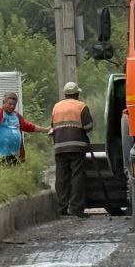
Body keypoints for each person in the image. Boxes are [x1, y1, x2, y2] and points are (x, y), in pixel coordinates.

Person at [51, 81, 95, 217]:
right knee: (77, 177)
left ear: (65, 94)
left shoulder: (56, 107)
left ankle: (61, 208)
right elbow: (88, 127)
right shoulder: (81, 106)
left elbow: (52, 126)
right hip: (77, 147)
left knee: (61, 178)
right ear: (77, 93)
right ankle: (76, 209)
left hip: (59, 147)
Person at [0, 93, 47, 165]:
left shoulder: (16, 116)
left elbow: (29, 126)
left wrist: (45, 130)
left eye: (14, 105)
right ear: (4, 102)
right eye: (10, 104)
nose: (12, 106)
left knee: (15, 174)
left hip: (15, 155)